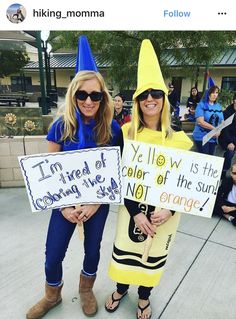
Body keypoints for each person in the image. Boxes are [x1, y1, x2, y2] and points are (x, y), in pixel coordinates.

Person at [26, 36, 121, 319]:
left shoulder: (112, 129)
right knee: (53, 253)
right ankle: (51, 295)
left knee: (92, 250)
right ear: (73, 96)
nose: (89, 100)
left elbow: (114, 173)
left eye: (95, 95)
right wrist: (64, 206)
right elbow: (49, 174)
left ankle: (86, 290)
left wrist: (95, 203)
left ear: (103, 97)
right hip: (63, 205)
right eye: (82, 94)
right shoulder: (60, 127)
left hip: (97, 204)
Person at [105, 39, 193, 319]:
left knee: (151, 257)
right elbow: (119, 175)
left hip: (164, 213)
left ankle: (143, 298)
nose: (150, 99)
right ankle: (121, 289)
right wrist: (134, 213)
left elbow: (188, 184)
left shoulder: (179, 139)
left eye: (156, 93)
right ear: (137, 100)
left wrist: (171, 209)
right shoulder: (126, 132)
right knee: (127, 250)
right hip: (132, 209)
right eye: (144, 94)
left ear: (164, 98)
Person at [192, 85, 224, 155]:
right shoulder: (201, 105)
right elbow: (200, 122)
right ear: (208, 93)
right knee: (205, 158)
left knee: (211, 158)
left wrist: (219, 131)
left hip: (213, 138)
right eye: (213, 92)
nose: (215, 95)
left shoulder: (218, 106)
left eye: (216, 92)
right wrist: (215, 129)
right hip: (202, 136)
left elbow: (222, 121)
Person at [218, 94, 236, 179]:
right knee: (230, 152)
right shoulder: (226, 113)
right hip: (225, 138)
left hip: (234, 139)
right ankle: (224, 171)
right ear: (234, 101)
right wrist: (230, 142)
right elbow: (224, 130)